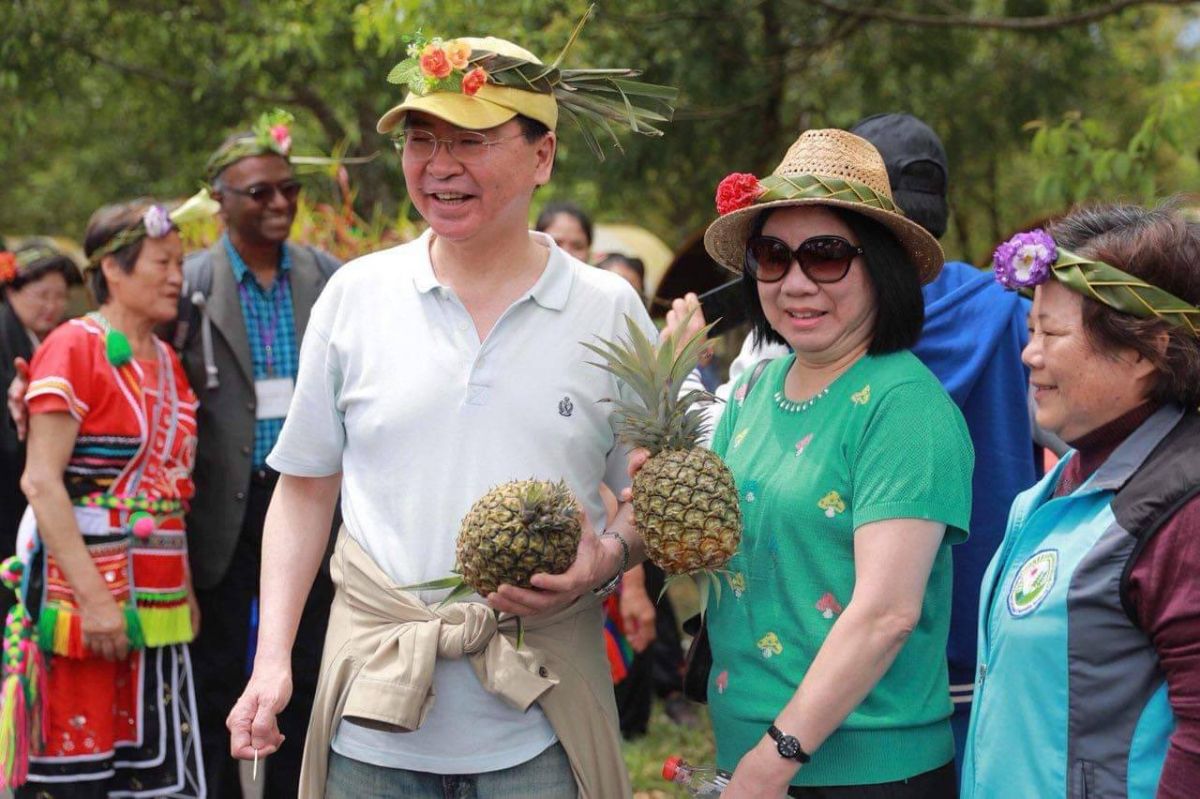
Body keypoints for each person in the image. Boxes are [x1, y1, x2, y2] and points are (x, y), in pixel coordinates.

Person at [224, 29, 675, 798]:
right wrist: (272, 662)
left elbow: (657, 484)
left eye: (470, 140)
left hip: (544, 719)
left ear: (542, 155)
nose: (439, 166)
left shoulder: (607, 309)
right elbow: (305, 489)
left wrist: (605, 559)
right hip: (373, 721)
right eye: (421, 139)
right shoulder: (356, 298)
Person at [668, 114, 1037, 765]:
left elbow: (887, 612)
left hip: (853, 755)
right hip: (746, 743)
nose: (797, 281)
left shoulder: (905, 403)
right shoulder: (754, 389)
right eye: (773, 256)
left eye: (828, 255)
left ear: (884, 269)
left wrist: (777, 754)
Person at [962, 204, 1200, 799]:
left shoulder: (1181, 510)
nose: (1029, 354)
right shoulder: (1068, 475)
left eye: (1054, 333)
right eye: (1031, 329)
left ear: (1145, 350)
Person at [13, 200, 205, 796]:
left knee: (151, 776)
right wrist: (97, 602)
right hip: (87, 599)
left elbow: (168, 491)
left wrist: (188, 591)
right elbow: (42, 482)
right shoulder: (74, 347)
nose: (177, 275)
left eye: (181, 262)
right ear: (113, 270)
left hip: (160, 599)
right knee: (80, 777)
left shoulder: (169, 360)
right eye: (162, 261)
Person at [175, 110, 341, 799]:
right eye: (259, 193)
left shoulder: (328, 276)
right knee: (218, 670)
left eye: (287, 188)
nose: (279, 203)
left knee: (307, 662)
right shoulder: (189, 285)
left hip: (307, 498)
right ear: (220, 201)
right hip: (224, 506)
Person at [1, 243, 80, 561]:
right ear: (12, 290)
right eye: (42, 295)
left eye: (60, 296)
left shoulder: (43, 339)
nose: (53, 305)